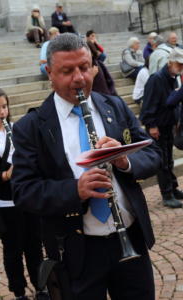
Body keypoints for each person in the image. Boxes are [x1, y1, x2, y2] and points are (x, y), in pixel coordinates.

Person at [12, 33, 161, 300]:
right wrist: (75, 190)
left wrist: (124, 160)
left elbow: (153, 154)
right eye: (67, 71)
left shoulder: (114, 106)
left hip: (129, 238)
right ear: (49, 73)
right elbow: (23, 191)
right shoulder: (30, 127)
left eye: (84, 66)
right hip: (76, 251)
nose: (79, 78)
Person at [0, 87, 50, 300]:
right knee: (12, 250)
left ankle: (41, 287)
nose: (2, 112)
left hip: (27, 197)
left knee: (34, 246)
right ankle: (19, 292)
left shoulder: (17, 129)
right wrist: (4, 175)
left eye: (4, 106)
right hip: (3, 202)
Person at [140, 47, 183, 209]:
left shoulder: (173, 77)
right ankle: (167, 194)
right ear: (170, 63)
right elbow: (148, 106)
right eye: (179, 65)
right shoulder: (156, 79)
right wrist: (151, 125)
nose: (181, 68)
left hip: (168, 125)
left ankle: (173, 188)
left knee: (169, 160)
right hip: (157, 127)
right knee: (162, 162)